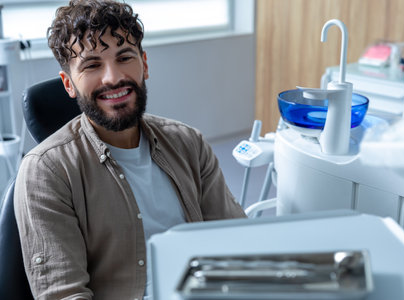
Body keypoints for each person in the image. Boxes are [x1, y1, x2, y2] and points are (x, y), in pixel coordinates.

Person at [14, 0, 246, 299]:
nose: (113, 77)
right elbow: (64, 294)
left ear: (144, 64)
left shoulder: (189, 143)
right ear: (68, 84)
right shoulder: (46, 172)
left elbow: (236, 241)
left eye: (124, 57)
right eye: (92, 64)